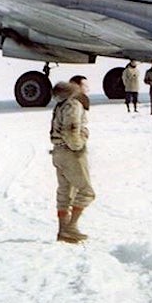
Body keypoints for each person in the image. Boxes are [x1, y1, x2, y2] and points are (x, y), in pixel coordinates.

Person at [50, 75, 95, 243]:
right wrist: (79, 145)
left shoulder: (62, 103)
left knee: (65, 193)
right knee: (86, 191)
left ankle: (63, 231)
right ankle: (71, 227)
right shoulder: (74, 104)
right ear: (76, 86)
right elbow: (71, 129)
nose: (87, 90)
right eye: (85, 86)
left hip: (58, 152)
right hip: (71, 153)